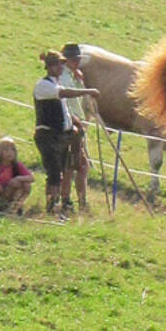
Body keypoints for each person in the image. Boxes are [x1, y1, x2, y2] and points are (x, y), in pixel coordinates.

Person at [32, 51, 98, 216]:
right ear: (49, 67)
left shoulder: (55, 84)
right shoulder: (43, 85)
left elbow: (64, 110)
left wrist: (74, 122)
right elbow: (63, 93)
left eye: (61, 64)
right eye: (56, 64)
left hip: (61, 135)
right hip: (47, 135)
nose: (59, 67)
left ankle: (59, 204)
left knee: (63, 170)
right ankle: (51, 206)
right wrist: (87, 91)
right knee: (54, 172)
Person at [59, 43, 93, 212]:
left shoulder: (72, 76)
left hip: (75, 125)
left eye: (77, 59)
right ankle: (76, 201)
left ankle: (74, 200)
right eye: (74, 60)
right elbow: (68, 103)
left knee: (74, 166)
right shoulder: (64, 79)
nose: (76, 63)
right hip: (71, 126)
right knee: (75, 166)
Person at [0, 136, 34, 213]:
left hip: (10, 194)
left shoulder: (17, 165)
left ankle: (16, 206)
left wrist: (18, 178)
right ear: (0, 152)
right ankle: (0, 205)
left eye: (12, 150)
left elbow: (31, 178)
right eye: (6, 150)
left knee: (26, 184)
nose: (9, 153)